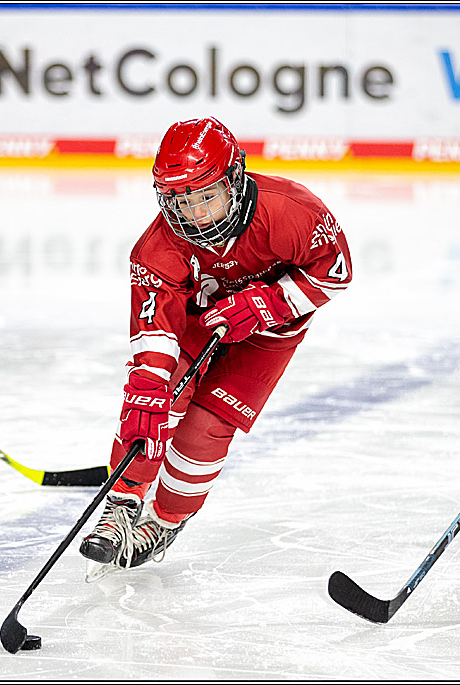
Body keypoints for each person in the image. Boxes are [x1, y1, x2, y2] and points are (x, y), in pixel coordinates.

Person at [77, 116, 353, 575]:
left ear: (235, 180)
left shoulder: (291, 211)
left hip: (268, 332)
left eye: (207, 196)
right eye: (182, 202)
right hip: (195, 323)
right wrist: (148, 386)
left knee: (204, 429)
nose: (198, 214)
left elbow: (335, 271)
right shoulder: (156, 250)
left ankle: (165, 520)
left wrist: (270, 302)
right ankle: (122, 503)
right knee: (154, 404)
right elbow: (157, 330)